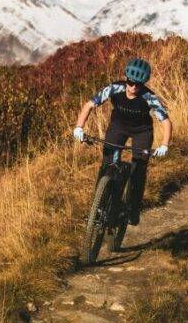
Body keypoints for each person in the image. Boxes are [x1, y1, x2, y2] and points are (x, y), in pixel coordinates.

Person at [73, 57, 172, 225]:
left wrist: (164, 145)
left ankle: (133, 209)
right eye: (131, 82)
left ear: (144, 83)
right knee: (107, 165)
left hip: (142, 131)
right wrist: (79, 127)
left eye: (138, 85)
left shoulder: (149, 97)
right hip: (118, 127)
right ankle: (98, 209)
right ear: (126, 78)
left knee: (138, 169)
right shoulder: (114, 88)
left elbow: (166, 121)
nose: (134, 87)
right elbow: (89, 105)